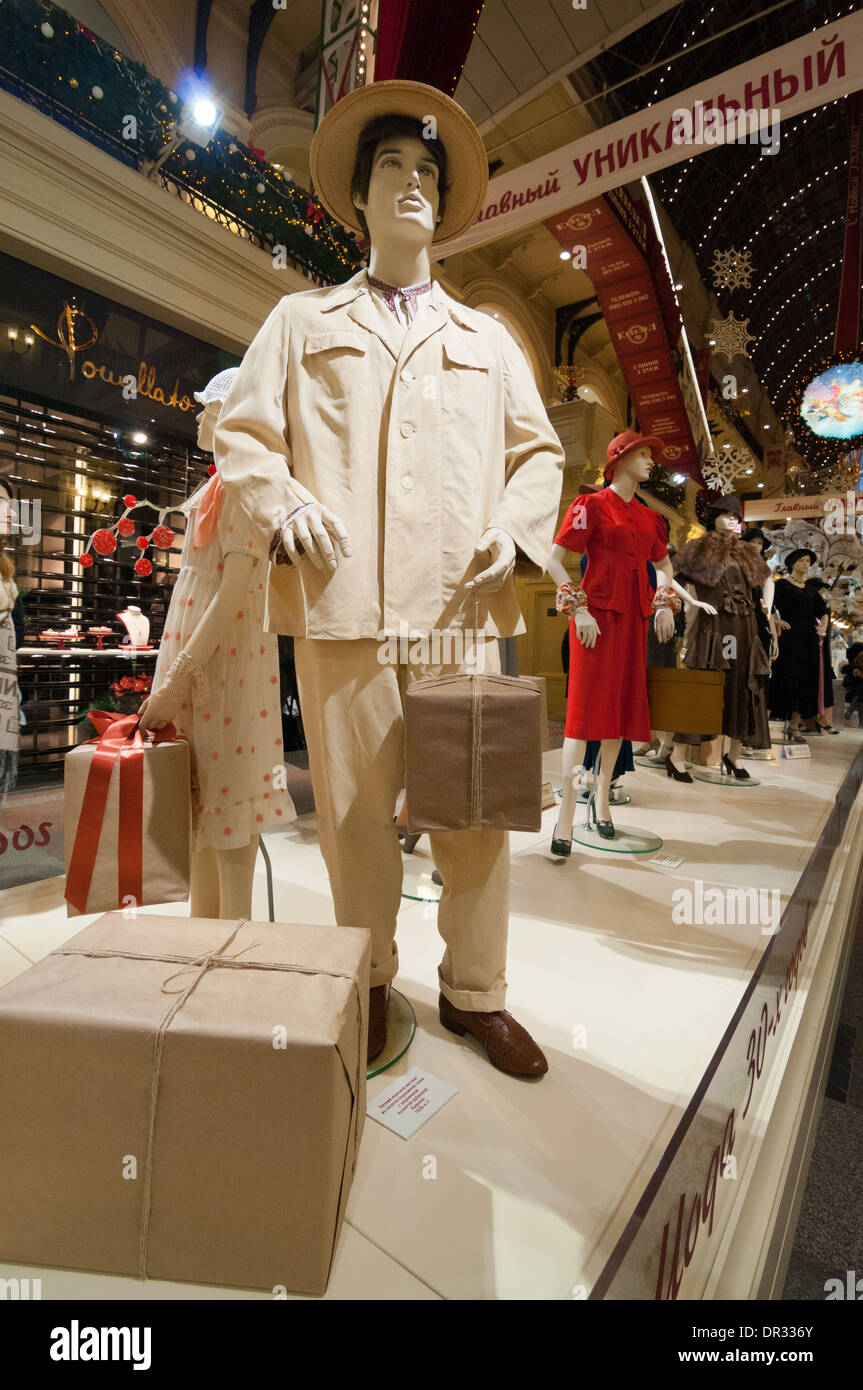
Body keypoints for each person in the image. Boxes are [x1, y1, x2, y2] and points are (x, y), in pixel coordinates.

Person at [212, 80, 565, 1076]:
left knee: (474, 812)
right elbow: (244, 436)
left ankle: (474, 994)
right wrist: (283, 505)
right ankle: (365, 981)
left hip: (458, 616)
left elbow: (537, 456)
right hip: (346, 609)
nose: (410, 183)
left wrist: (514, 527)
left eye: (425, 171)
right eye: (391, 170)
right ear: (359, 198)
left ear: (441, 203)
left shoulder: (488, 340)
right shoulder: (299, 321)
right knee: (356, 820)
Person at [138, 367, 296, 917]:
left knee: (228, 812)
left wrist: (177, 680)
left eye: (211, 408)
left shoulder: (247, 492)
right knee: (201, 812)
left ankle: (235, 947)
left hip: (224, 673)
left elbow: (232, 596)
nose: (201, 416)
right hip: (201, 670)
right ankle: (203, 942)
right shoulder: (215, 489)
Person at [546, 433, 716, 846]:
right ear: (618, 459)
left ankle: (602, 798)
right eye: (642, 455)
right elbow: (554, 559)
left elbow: (662, 564)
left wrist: (662, 602)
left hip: (633, 621)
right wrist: (579, 608)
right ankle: (566, 813)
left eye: (650, 456)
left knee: (619, 713)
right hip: (595, 618)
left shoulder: (647, 517)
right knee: (584, 716)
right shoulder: (591, 506)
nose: (650, 462)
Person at [671, 494, 773, 779]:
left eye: (736, 516)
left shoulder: (745, 551)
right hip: (715, 626)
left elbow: (768, 579)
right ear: (713, 516)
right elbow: (668, 575)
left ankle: (734, 756)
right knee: (705, 690)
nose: (732, 520)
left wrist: (768, 604)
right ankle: (677, 756)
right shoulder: (699, 547)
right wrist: (692, 602)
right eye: (727, 514)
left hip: (745, 626)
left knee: (743, 687)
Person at [768, 548, 822, 741]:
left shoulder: (810, 589)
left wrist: (822, 627)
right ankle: (770, 723)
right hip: (789, 638)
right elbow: (768, 605)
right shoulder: (781, 585)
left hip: (808, 640)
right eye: (802, 561)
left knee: (804, 680)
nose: (805, 564)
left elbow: (822, 610)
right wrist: (776, 620)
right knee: (784, 676)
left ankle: (795, 726)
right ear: (792, 564)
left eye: (808, 561)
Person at [802, 575, 838, 733]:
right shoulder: (809, 609)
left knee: (820, 686)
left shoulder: (821, 610)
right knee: (811, 685)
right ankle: (809, 720)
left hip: (821, 655)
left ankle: (816, 719)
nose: (823, 593)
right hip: (810, 653)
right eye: (821, 589)